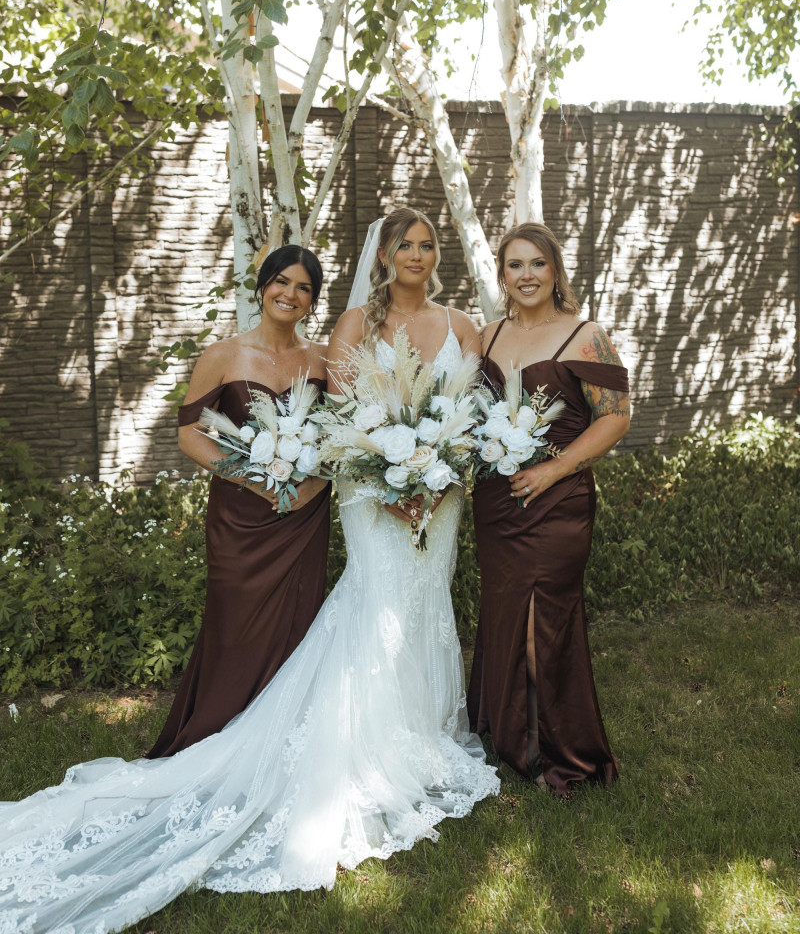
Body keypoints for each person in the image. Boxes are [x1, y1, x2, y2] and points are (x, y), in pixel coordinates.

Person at [0, 214, 498, 934]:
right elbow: (329, 421)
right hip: (330, 499)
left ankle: (421, 730)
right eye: (403, 245)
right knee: (371, 602)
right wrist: (353, 476)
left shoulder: (404, 336)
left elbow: (432, 413)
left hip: (422, 492)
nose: (415, 255)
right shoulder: (332, 332)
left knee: (422, 604)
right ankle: (309, 736)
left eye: (426, 244)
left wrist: (434, 467)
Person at [146, 245, 331, 757]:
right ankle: (217, 733)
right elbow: (190, 434)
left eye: (303, 288)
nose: (290, 294)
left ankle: (280, 742)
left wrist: (313, 486)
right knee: (235, 624)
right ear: (263, 286)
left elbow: (341, 435)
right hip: (240, 517)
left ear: (313, 300)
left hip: (304, 516)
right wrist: (253, 480)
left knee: (298, 625)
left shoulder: (322, 359)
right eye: (281, 281)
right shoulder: (222, 356)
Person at [467, 222, 630, 795]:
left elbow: (615, 418)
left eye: (538, 263)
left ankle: (560, 751)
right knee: (505, 610)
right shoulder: (486, 337)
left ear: (555, 269)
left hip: (558, 501)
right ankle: (505, 730)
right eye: (515, 265)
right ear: (502, 275)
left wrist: (552, 470)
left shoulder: (585, 336)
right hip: (497, 504)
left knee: (545, 619)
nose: (527, 275)